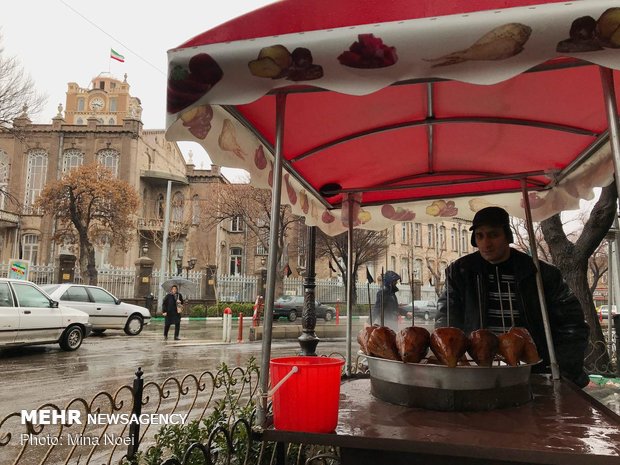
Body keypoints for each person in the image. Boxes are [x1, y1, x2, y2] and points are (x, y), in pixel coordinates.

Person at [436, 206, 590, 387]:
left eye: (493, 235)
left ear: (507, 236)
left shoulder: (540, 273)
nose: (486, 243)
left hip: (533, 371)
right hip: (477, 370)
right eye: (480, 236)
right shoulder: (460, 272)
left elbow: (572, 325)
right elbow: (446, 323)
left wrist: (562, 369)